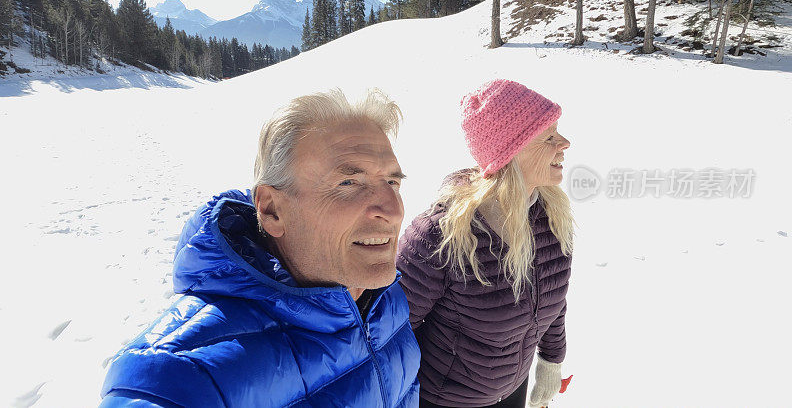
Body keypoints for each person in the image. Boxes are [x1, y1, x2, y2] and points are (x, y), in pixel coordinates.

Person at [100, 89, 421, 407]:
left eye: (392, 182)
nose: (393, 211)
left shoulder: (385, 299)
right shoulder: (181, 379)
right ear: (271, 210)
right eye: (349, 183)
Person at [396, 79, 574, 408]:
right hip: (446, 399)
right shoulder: (443, 235)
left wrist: (551, 363)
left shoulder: (551, 217)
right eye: (549, 137)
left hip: (512, 391)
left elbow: (553, 299)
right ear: (512, 152)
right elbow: (392, 331)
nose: (564, 143)